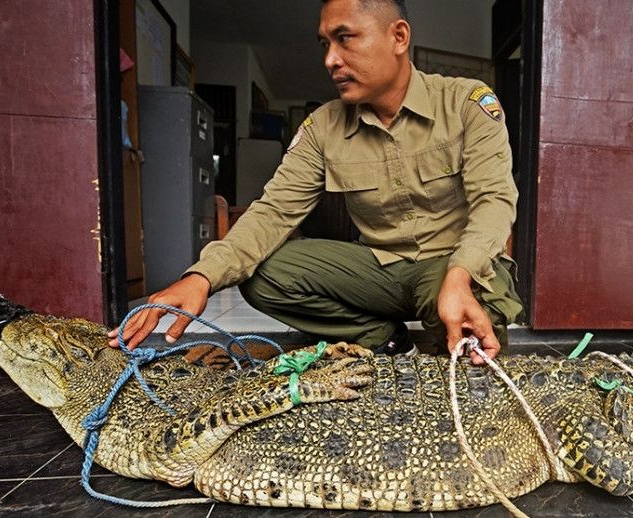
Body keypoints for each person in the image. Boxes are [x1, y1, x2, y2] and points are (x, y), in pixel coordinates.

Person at [109, 0, 522, 365]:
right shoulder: (324, 126)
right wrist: (200, 277)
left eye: (345, 39)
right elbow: (273, 211)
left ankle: (448, 322)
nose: (330, 59)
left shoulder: (467, 102)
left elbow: (494, 200)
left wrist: (459, 273)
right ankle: (383, 339)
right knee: (265, 272)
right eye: (325, 44)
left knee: (471, 334)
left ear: (398, 37)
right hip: (379, 268)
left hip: (450, 265)